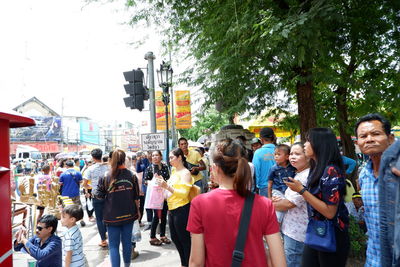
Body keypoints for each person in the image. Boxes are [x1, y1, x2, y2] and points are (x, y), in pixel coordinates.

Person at [187, 139, 285, 267]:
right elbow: (279, 261)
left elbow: (196, 262)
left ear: (215, 168)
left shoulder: (199, 203)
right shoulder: (265, 204)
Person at [286, 128, 350, 267]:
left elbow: (329, 212)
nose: (305, 144)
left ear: (319, 144)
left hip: (332, 234)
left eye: (308, 140)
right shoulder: (317, 168)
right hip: (317, 230)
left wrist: (301, 190)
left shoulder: (331, 171)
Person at [355, 113, 395, 266]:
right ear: (358, 143)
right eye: (363, 136)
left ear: (390, 139)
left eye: (376, 134)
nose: (369, 139)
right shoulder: (364, 174)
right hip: (373, 257)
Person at [97, 149, 140, 267]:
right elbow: (136, 197)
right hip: (129, 214)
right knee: (127, 243)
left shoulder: (105, 176)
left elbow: (99, 196)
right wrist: (138, 212)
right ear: (124, 159)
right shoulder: (132, 175)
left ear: (111, 160)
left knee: (114, 246)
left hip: (112, 216)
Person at [273, 142, 310, 267]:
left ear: (308, 156)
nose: (292, 157)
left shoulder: (305, 177)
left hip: (296, 233)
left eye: (297, 154)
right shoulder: (299, 173)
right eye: (291, 154)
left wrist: (268, 204)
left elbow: (289, 204)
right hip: (293, 229)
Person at [155, 148, 193, 267]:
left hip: (182, 208)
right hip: (172, 209)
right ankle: (184, 263)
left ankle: (187, 263)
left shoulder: (185, 173)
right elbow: (171, 188)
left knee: (184, 240)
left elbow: (184, 193)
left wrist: (167, 186)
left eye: (172, 157)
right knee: (175, 238)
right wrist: (163, 184)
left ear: (179, 157)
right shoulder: (174, 171)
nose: (170, 160)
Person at [144, 150, 171, 246]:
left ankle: (163, 235)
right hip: (155, 196)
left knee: (164, 215)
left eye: (157, 155)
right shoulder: (149, 168)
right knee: (156, 216)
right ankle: (152, 237)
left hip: (164, 194)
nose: (155, 157)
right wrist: (153, 181)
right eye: (153, 155)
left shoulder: (165, 167)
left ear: (161, 156)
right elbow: (146, 181)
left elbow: (168, 178)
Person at [83, 148, 109, 247]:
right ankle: (108, 234)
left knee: (99, 218)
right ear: (101, 155)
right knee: (108, 216)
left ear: (93, 157)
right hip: (108, 195)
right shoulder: (108, 167)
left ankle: (103, 240)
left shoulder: (90, 169)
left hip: (97, 196)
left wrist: (92, 187)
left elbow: (84, 184)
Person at [267, 144, 296, 223]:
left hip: (289, 192)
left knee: (287, 212)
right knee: (278, 214)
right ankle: (275, 227)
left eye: (278, 154)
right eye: (275, 154)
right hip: (277, 191)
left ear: (287, 157)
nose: (276, 156)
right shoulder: (273, 168)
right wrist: (269, 197)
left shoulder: (293, 167)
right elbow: (269, 183)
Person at [252, 127, 276, 197]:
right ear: (274, 137)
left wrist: (256, 187)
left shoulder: (258, 153)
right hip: (279, 187)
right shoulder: (281, 151)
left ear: (261, 139)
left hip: (263, 188)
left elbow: (256, 172)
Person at [136, 151, 152, 230]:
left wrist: (146, 160)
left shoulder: (154, 164)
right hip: (146, 187)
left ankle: (158, 223)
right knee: (147, 206)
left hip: (154, 187)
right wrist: (139, 161)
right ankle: (150, 223)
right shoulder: (144, 162)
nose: (148, 155)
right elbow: (138, 170)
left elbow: (148, 168)